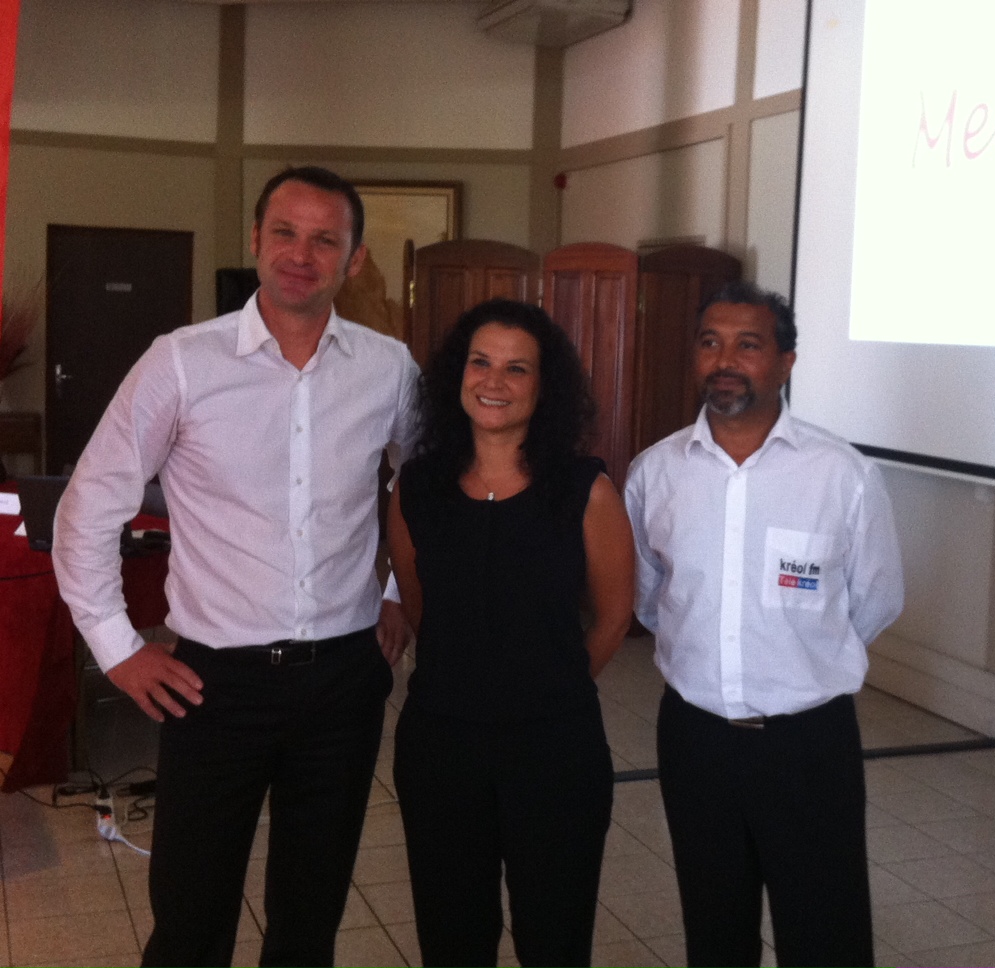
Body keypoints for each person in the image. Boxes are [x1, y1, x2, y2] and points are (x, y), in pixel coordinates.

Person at [53, 165, 421, 968]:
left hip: (344, 683)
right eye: (285, 232)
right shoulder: (183, 362)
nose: (302, 253)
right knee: (190, 917)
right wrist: (117, 647)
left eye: (326, 238)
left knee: (311, 915)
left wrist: (399, 590)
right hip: (215, 686)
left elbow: (428, 492)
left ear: (354, 260)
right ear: (254, 241)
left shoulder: (389, 368)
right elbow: (87, 506)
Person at [624, 281, 904, 968]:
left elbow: (876, 598)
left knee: (826, 931)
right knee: (714, 928)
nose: (726, 360)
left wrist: (799, 661)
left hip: (808, 744)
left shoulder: (842, 475)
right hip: (696, 739)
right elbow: (650, 598)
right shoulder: (655, 474)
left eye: (748, 345)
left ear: (786, 362)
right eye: (710, 342)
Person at [386, 298, 635, 968]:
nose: (494, 381)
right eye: (481, 363)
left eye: (517, 368)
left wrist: (551, 686)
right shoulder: (417, 488)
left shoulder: (585, 489)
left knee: (554, 939)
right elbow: (418, 604)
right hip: (441, 748)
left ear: (544, 386)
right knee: (452, 937)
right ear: (456, 375)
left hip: (555, 751)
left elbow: (615, 616)